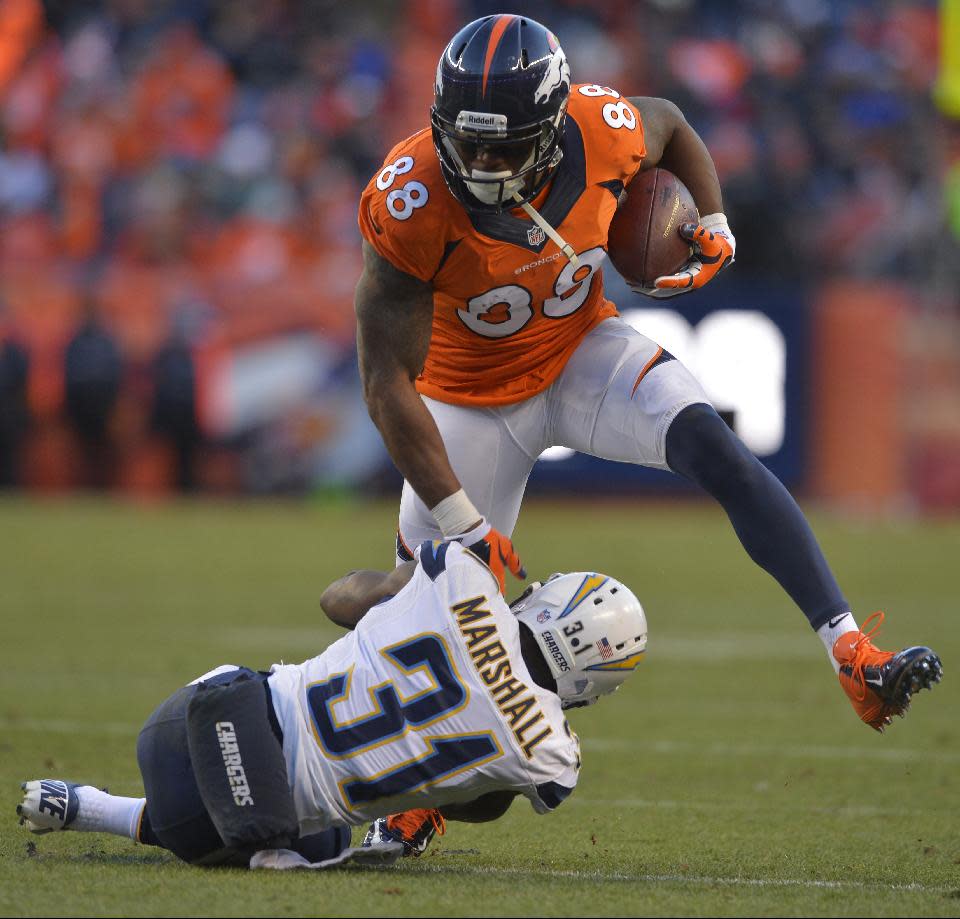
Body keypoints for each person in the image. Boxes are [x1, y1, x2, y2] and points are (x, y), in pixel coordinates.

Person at [353, 13, 941, 739]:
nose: (479, 163)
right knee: (421, 609)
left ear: (549, 125)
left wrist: (717, 220)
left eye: (501, 147)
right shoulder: (408, 200)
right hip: (469, 402)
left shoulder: (600, 127)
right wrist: (459, 520)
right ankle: (412, 787)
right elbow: (386, 384)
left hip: (578, 353)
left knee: (718, 449)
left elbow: (668, 123)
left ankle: (853, 652)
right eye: (466, 141)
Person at [17, 540, 648, 867]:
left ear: (547, 599)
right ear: (595, 680)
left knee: (254, 688)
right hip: (218, 832)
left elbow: (338, 600)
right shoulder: (551, 756)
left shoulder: (464, 576)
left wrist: (408, 601)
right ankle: (96, 810)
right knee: (327, 840)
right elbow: (479, 804)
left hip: (191, 726)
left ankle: (89, 806)